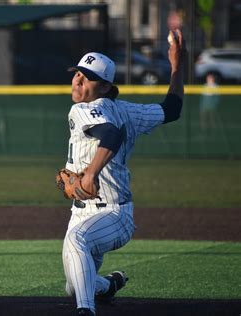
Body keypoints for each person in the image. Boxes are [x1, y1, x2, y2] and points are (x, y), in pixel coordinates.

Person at [59, 29, 185, 316]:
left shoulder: (83, 109)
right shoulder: (127, 110)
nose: (78, 79)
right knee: (75, 284)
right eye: (77, 72)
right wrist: (178, 66)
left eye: (87, 76)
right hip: (86, 213)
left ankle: (85, 311)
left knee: (76, 241)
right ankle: (109, 285)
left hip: (112, 214)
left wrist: (90, 173)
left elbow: (111, 135)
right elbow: (173, 109)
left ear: (104, 87)